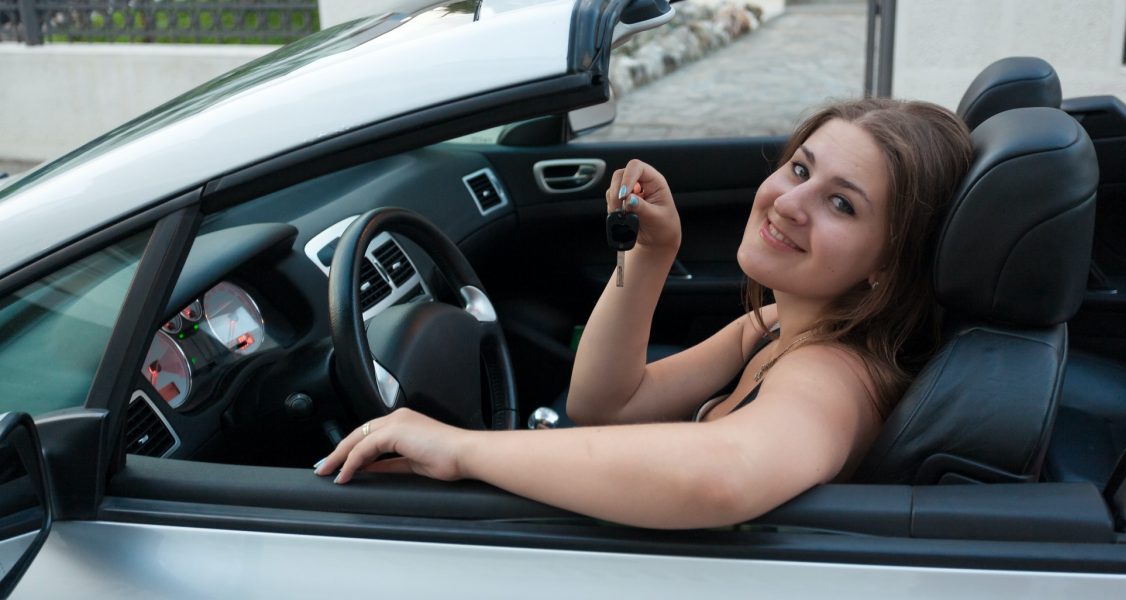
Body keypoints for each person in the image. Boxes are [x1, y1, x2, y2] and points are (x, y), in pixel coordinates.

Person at [314, 98, 973, 529]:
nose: (790, 202)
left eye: (843, 205)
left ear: (889, 262)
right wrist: (652, 253)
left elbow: (722, 476)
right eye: (800, 169)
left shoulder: (832, 376)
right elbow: (607, 402)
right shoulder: (772, 325)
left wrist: (463, 450)